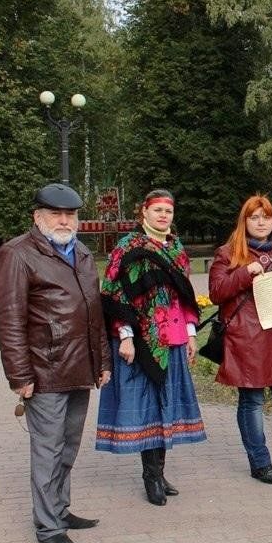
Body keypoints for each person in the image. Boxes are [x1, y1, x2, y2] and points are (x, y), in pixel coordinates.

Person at [0, 184, 112, 543]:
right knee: (47, 449)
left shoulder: (84, 253)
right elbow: (8, 319)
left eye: (70, 214)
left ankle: (59, 508)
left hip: (80, 367)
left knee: (68, 446)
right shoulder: (17, 254)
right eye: (56, 214)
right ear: (37, 216)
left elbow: (95, 312)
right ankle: (48, 527)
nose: (64, 220)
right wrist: (19, 376)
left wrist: (102, 362)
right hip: (44, 371)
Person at [96, 189, 206, 506]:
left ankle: (159, 471)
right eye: (156, 210)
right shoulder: (127, 247)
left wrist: (191, 333)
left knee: (165, 406)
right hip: (142, 341)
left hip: (172, 338)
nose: (162, 215)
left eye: (167, 211)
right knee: (148, 407)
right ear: (144, 212)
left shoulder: (176, 249)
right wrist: (126, 335)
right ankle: (150, 476)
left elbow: (184, 296)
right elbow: (115, 294)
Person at [209, 195, 272, 483]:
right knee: (252, 403)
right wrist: (243, 273)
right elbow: (216, 292)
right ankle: (260, 463)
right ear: (245, 222)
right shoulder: (227, 253)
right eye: (254, 217)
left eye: (266, 217)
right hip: (247, 341)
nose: (261, 222)